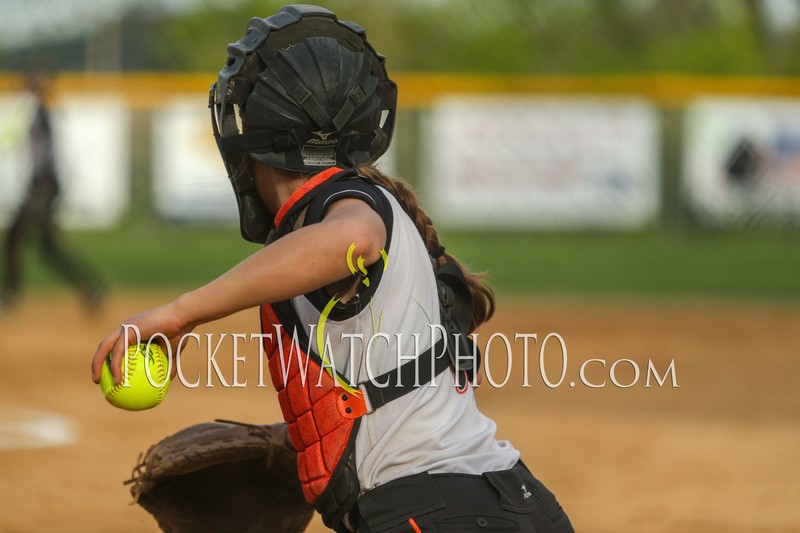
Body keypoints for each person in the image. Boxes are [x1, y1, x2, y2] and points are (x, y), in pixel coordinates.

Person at [91, 5, 574, 532]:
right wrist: (299, 441)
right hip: (502, 504)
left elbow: (351, 240)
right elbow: (386, 388)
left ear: (251, 136)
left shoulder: (346, 211)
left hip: (433, 512)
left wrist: (182, 313)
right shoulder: (365, 204)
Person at [2, 72, 104, 312]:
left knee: (15, 237)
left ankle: (9, 296)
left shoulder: (41, 114)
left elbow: (45, 155)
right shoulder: (33, 113)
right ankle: (91, 289)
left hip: (43, 186)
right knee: (48, 248)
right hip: (40, 186)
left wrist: (39, 190)